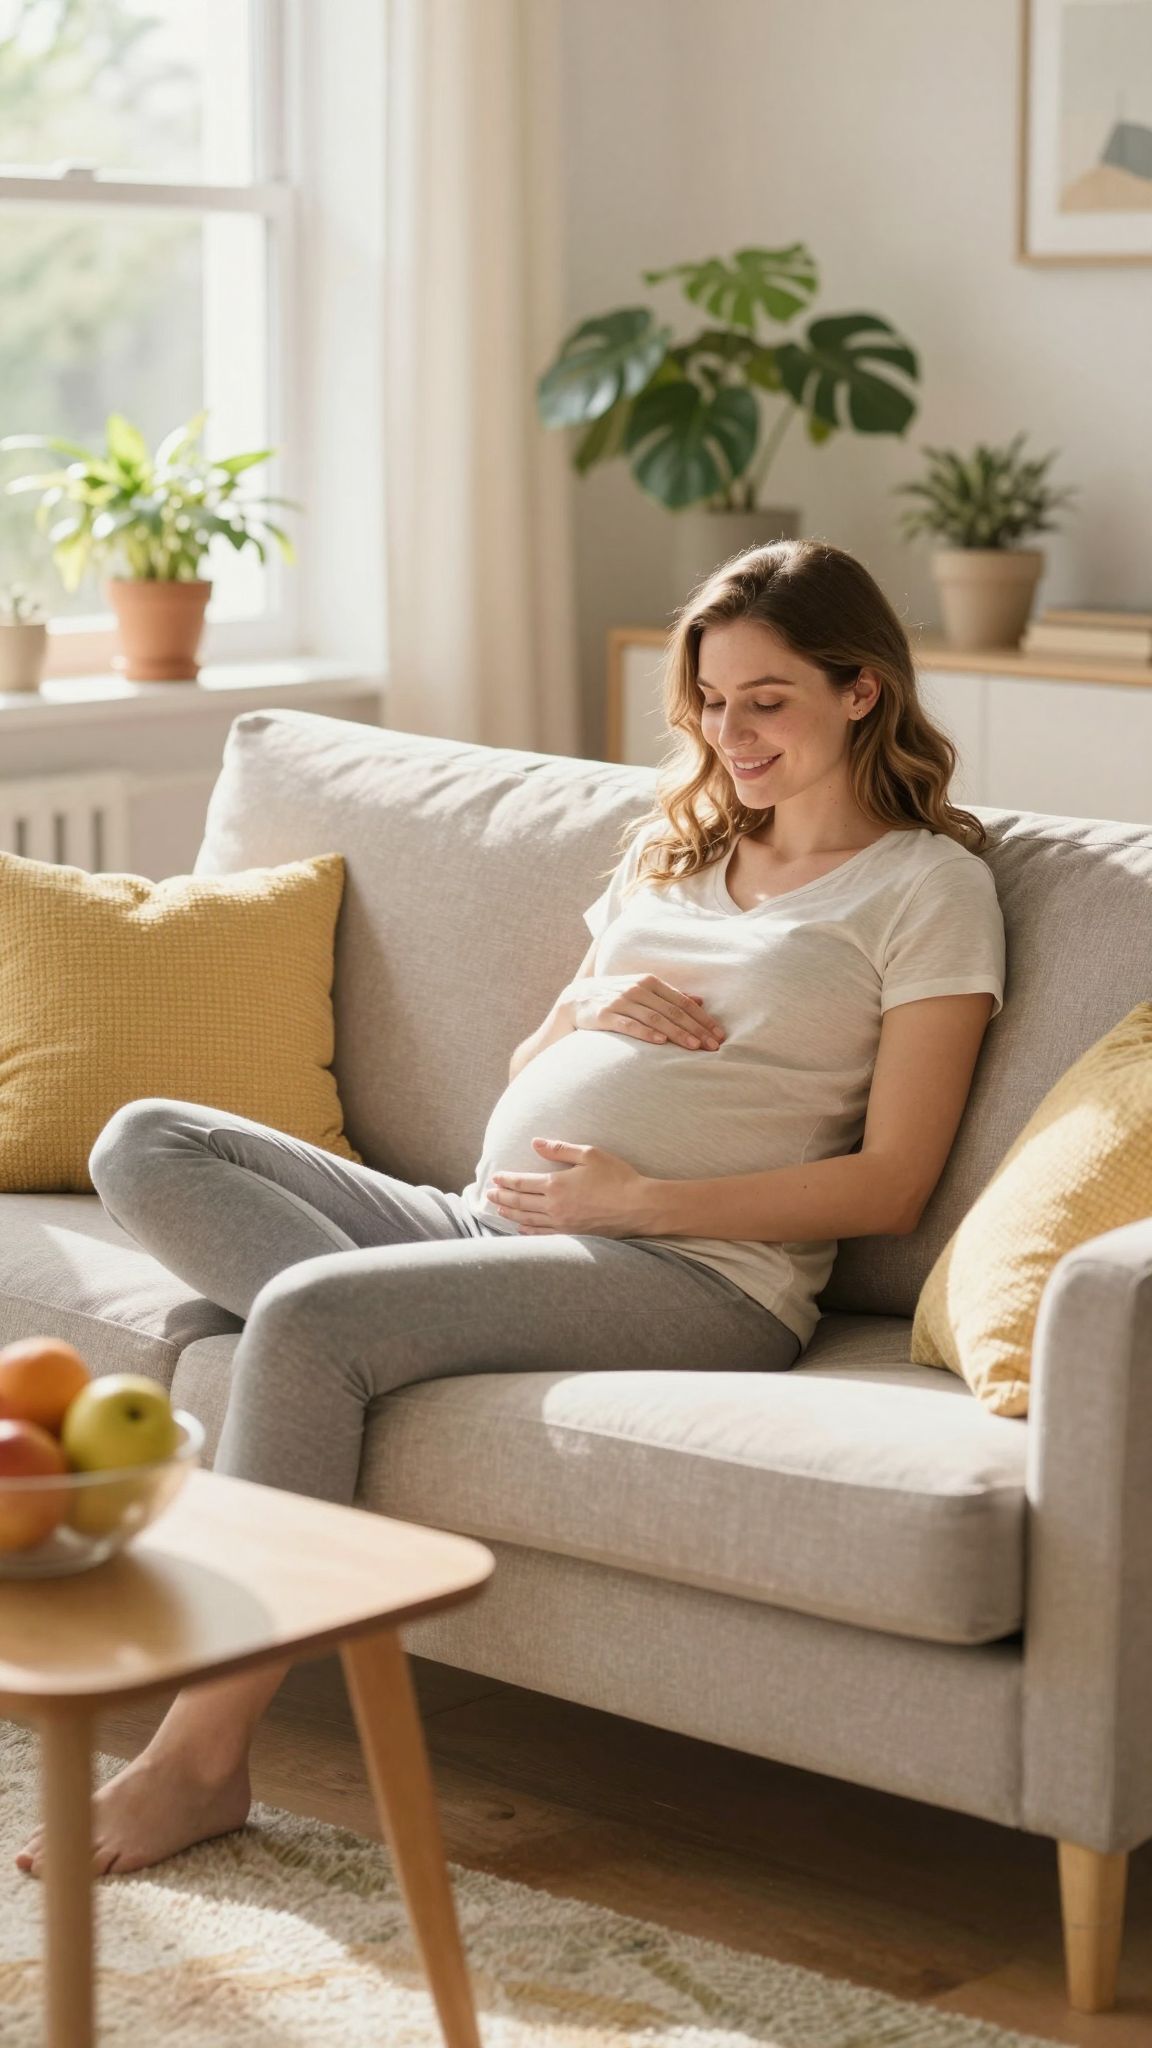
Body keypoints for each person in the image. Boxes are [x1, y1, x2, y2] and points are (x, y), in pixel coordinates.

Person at [16, 536, 1005, 1879]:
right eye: (711, 703)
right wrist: (587, 1007)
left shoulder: (926, 888)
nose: (733, 734)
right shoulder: (678, 848)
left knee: (295, 1317)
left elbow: (892, 1185)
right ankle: (369, 1350)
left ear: (860, 692)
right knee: (149, 1140)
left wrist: (648, 1200)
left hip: (697, 1277)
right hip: (481, 1220)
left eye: (766, 700)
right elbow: (530, 1067)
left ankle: (202, 1755)